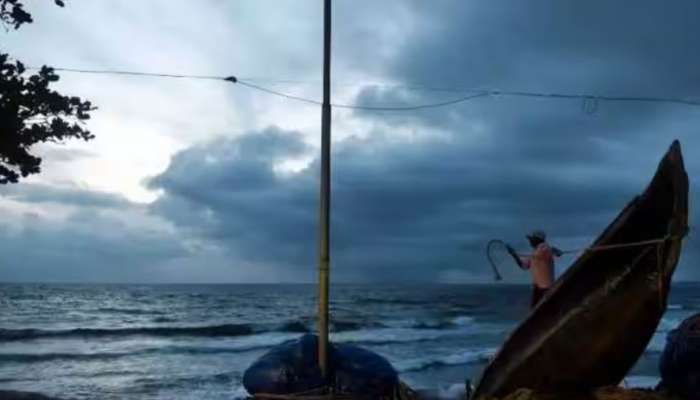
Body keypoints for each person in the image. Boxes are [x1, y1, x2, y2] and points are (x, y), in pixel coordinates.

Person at [506, 230, 557, 308]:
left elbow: (549, 250)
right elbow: (523, 265)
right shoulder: (535, 252)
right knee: (536, 311)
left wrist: (555, 251)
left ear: (537, 239)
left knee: (540, 311)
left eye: (531, 239)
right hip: (538, 288)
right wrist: (513, 254)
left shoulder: (544, 247)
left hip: (546, 288)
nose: (529, 241)